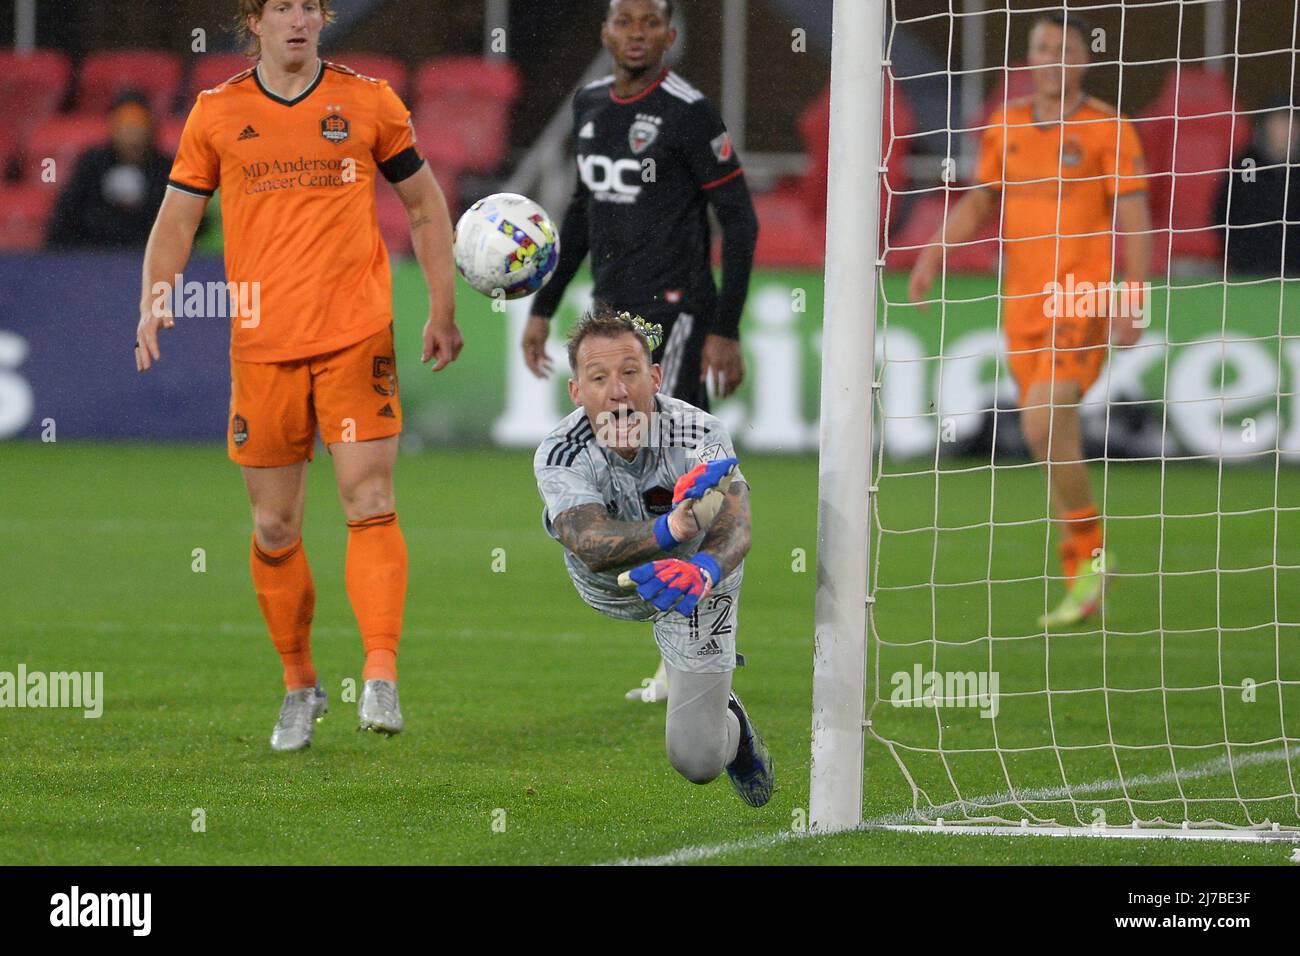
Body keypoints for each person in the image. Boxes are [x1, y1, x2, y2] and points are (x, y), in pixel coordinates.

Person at [134, 0, 463, 750]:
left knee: (370, 497)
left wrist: (441, 308)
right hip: (262, 346)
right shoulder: (217, 113)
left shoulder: (369, 101)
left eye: (308, 6)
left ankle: (380, 672)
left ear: (323, 17)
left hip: (355, 336)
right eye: (279, 6)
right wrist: (155, 299)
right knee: (275, 526)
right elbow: (179, 219)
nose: (296, 19)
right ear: (253, 20)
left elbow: (424, 207)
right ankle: (299, 684)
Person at [522, 0, 759, 702]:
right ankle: (687, 625)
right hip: (612, 317)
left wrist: (727, 324)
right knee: (639, 476)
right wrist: (542, 303)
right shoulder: (590, 103)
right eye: (623, 23)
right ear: (605, 34)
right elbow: (581, 212)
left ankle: (690, 635)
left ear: (669, 35)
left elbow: (739, 220)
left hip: (678, 312)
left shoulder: (689, 111)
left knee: (677, 469)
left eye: (649, 23)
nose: (635, 35)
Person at [909, 12, 1152, 627]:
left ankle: (1088, 556)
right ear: (1030, 57)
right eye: (1040, 48)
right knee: (1054, 440)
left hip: (1080, 297)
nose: (1050, 58)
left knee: (1042, 427)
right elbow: (983, 199)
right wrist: (936, 250)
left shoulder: (1108, 128)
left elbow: (1136, 215)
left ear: (1084, 59)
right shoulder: (1007, 124)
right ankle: (1090, 560)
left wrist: (1134, 296)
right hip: (1021, 306)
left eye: (1062, 49)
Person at [533, 308, 773, 805]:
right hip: (610, 591)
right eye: (598, 378)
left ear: (656, 378)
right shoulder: (561, 450)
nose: (618, 392)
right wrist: (673, 526)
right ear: (577, 393)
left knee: (697, 761)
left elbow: (736, 525)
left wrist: (703, 569)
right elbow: (591, 543)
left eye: (630, 373)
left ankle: (732, 729)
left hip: (695, 582)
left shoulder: (697, 432)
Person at [46, 90, 179, 249]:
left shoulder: (165, 169)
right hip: (93, 255)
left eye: (138, 124)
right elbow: (67, 214)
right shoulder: (93, 164)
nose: (131, 132)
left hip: (148, 256)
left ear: (150, 127)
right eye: (124, 124)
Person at [1216, 93, 1300, 277]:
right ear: (1267, 123)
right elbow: (1228, 212)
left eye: (1294, 122)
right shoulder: (1248, 162)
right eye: (1283, 121)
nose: (1290, 129)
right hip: (1251, 270)